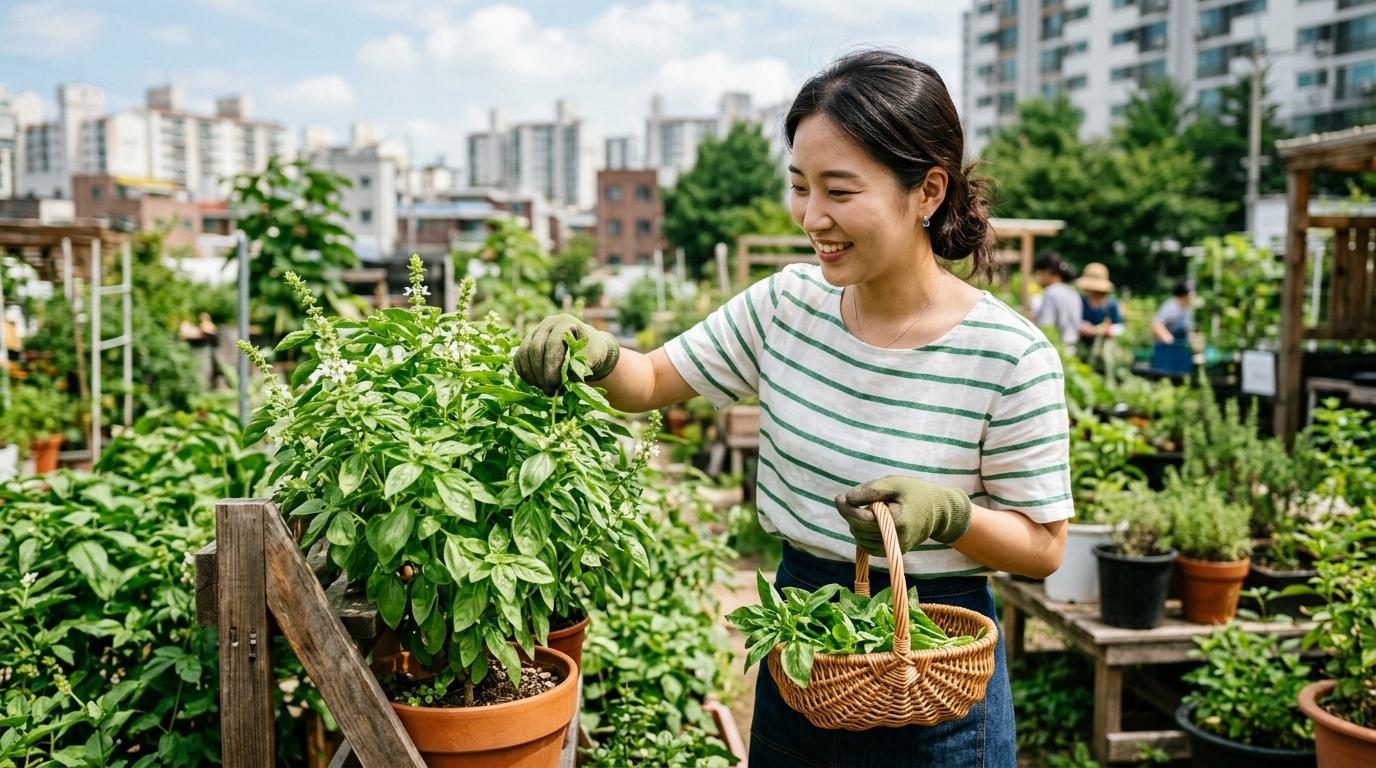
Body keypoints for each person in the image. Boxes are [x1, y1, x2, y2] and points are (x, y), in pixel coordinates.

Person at [515, 50, 1070, 768]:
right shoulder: (786, 306)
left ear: (928, 190)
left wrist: (953, 516)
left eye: (839, 191)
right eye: (800, 187)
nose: (813, 217)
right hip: (800, 637)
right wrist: (595, 355)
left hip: (937, 657)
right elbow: (651, 380)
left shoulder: (1010, 355)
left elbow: (1045, 547)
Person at [1075, 262, 1124, 383]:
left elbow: (1120, 326)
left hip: (1103, 348)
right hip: (1082, 345)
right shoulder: (1080, 301)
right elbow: (1073, 320)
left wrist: (1108, 330)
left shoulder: (1111, 304)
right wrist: (1082, 327)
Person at [1031, 253, 1082, 347]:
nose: (1039, 278)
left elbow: (1046, 325)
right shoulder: (1073, 292)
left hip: (1055, 347)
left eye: (1040, 273)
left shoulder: (1051, 292)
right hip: (1072, 346)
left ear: (1048, 272)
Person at [1149, 281, 1194, 377]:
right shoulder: (1170, 307)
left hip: (1180, 350)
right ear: (1184, 294)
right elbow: (1156, 324)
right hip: (1167, 350)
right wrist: (1168, 339)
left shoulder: (1187, 309)